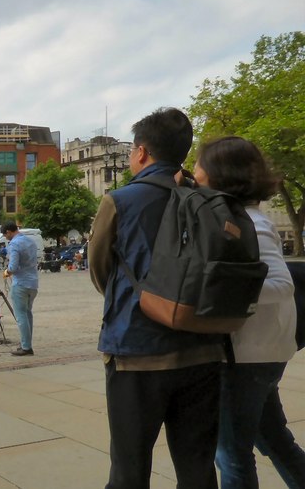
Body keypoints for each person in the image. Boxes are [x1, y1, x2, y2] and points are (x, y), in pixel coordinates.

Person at [88, 107, 223, 489]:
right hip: (204, 348)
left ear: (142, 152)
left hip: (137, 352)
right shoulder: (208, 200)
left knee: (129, 470)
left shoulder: (120, 201)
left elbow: (101, 272)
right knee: (198, 468)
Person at [193, 136, 299, 489]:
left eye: (200, 164)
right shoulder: (243, 219)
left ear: (220, 174)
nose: (195, 172)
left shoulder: (250, 224)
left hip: (246, 360)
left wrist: (221, 297)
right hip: (259, 354)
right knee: (271, 437)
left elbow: (282, 284)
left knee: (232, 454)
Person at [1, 221, 38, 356]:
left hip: (20, 283)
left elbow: (13, 267)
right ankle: (26, 343)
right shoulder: (31, 241)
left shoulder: (14, 244)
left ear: (9, 232)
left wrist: (6, 273)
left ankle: (26, 346)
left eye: (6, 235)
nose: (6, 238)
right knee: (28, 313)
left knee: (21, 315)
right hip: (33, 283)